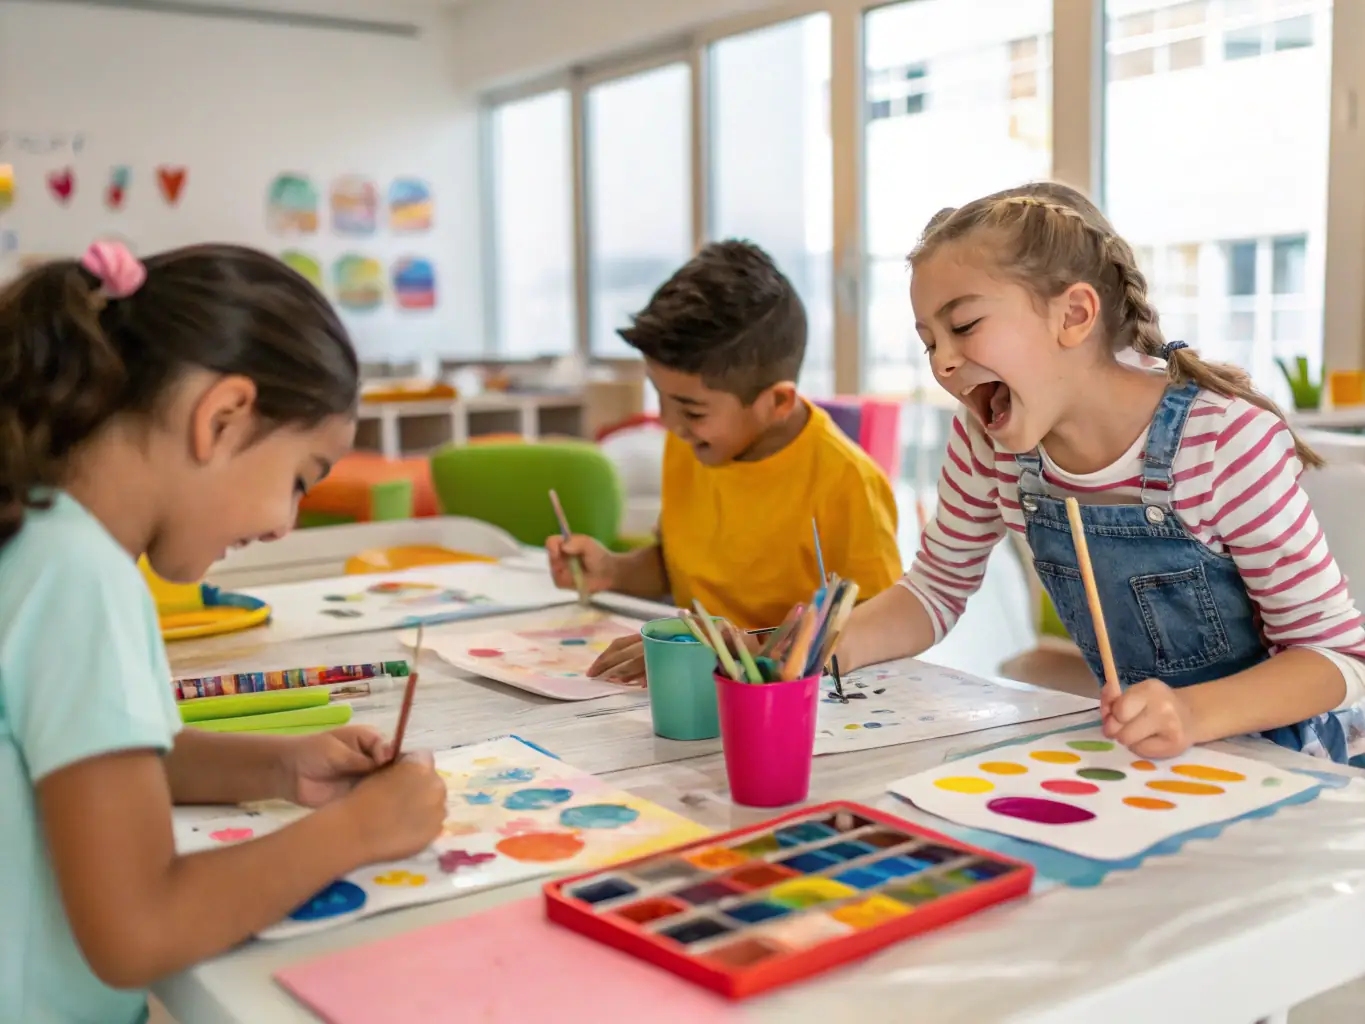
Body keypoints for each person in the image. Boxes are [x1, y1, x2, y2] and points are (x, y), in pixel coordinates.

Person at [0, 241, 446, 1023]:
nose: (285, 525)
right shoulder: (82, 579)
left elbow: (87, 768)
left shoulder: (34, 535)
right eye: (299, 479)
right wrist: (353, 833)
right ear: (224, 417)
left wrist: (277, 768)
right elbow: (137, 931)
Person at [837, 182, 1365, 764]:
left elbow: (1337, 657)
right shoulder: (986, 441)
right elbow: (934, 589)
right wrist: (833, 644)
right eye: (928, 341)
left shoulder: (1219, 440)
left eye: (963, 326)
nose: (942, 362)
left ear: (1075, 314)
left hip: (1297, 763)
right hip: (1157, 765)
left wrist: (1192, 714)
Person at [548, 240, 901, 681]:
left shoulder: (847, 482)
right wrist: (612, 570)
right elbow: (676, 563)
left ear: (776, 402)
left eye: (692, 410)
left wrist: (744, 649)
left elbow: (878, 631)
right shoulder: (694, 444)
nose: (669, 422)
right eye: (659, 397)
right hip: (690, 689)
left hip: (789, 711)